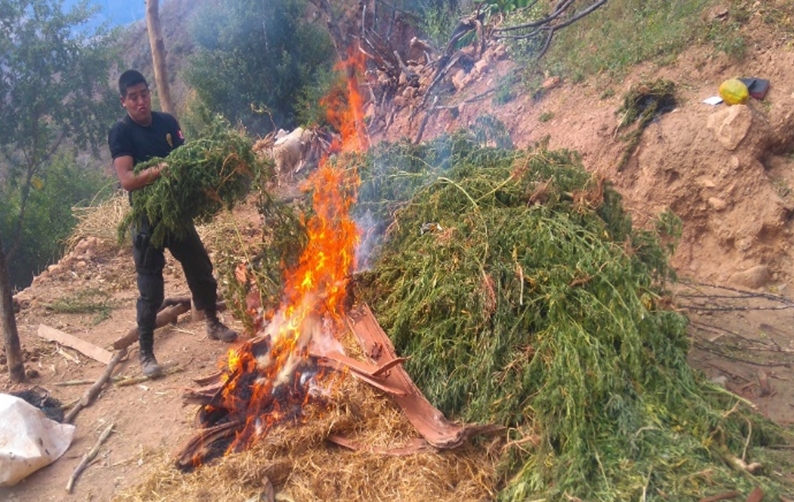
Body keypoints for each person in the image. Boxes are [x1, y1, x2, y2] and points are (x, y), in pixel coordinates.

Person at [108, 70, 237, 378]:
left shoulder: (167, 122)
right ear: (123, 101)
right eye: (133, 97)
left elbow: (186, 160)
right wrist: (162, 170)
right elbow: (127, 180)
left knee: (200, 266)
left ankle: (212, 323)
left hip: (175, 213)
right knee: (151, 289)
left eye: (144, 93)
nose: (141, 101)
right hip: (147, 219)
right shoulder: (121, 132)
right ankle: (146, 351)